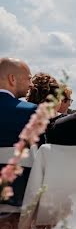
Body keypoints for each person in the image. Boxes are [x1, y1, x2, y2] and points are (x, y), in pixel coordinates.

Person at [0, 58, 36, 207]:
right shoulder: (31, 111)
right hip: (19, 195)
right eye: (28, 78)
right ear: (12, 79)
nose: (31, 84)